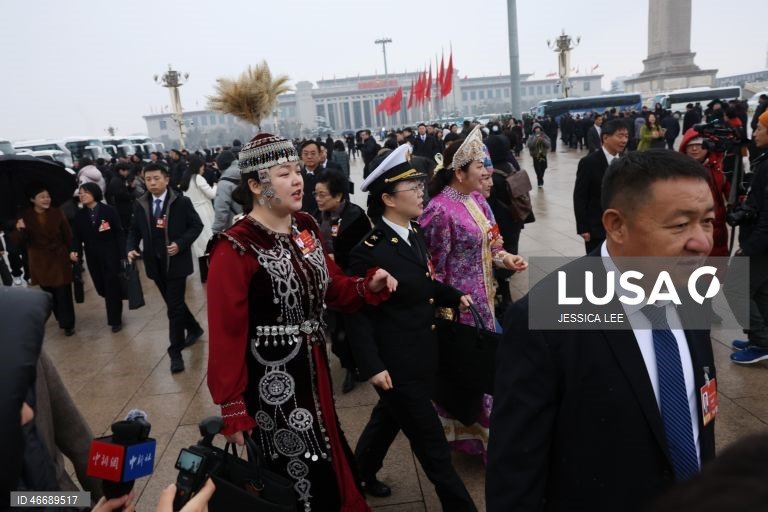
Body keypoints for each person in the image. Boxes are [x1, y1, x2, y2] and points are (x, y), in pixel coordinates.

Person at [487, 149, 717, 512]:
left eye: (707, 221)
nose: (702, 242)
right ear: (616, 225)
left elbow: (698, 412)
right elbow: (515, 471)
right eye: (679, 225)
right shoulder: (543, 321)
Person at [206, 133, 397, 512]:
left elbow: (332, 286)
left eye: (297, 170)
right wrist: (232, 406)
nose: (297, 180)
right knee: (295, 471)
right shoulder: (236, 246)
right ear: (256, 185)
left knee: (326, 447)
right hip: (271, 384)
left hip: (314, 372)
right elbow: (226, 334)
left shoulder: (305, 226)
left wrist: (365, 285)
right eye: (284, 174)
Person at [348, 144, 477, 510]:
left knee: (388, 418)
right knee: (433, 446)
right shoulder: (369, 250)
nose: (422, 192)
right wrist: (372, 366)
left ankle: (360, 473)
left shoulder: (413, 232)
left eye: (420, 185)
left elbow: (421, 283)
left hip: (424, 352)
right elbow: (356, 314)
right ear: (388, 199)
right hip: (397, 365)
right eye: (413, 188)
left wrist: (453, 295)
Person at [420, 127, 527, 464]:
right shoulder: (439, 211)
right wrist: (443, 306)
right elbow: (433, 266)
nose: (485, 172)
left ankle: (493, 437)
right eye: (479, 166)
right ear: (459, 172)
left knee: (489, 367)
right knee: (470, 372)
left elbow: (493, 244)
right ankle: (473, 439)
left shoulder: (478, 200)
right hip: (460, 307)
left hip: (485, 301)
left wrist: (506, 259)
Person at [127, 163, 204, 373]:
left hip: (176, 263)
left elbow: (196, 226)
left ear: (166, 179)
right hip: (155, 264)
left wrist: (180, 243)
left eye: (156, 178)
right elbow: (134, 230)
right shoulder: (141, 204)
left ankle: (175, 352)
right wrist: (131, 247)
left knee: (174, 308)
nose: (152, 183)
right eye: (148, 179)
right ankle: (194, 328)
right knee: (174, 304)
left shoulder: (181, 202)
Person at [314, 169, 371, 393]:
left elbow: (365, 253)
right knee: (336, 330)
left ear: (338, 196)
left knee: (353, 328)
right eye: (316, 194)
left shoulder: (356, 217)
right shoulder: (316, 217)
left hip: (351, 281)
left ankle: (358, 366)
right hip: (328, 283)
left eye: (322, 195)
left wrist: (338, 258)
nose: (318, 199)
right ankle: (348, 364)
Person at [728, 111, 768, 364]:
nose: (754, 133)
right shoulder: (763, 159)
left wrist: (749, 247)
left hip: (761, 244)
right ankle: (761, 338)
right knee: (760, 292)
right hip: (760, 242)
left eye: (760, 128)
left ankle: (761, 342)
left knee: (735, 288)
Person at [13, 184, 76, 336]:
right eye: (42, 197)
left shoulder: (57, 212)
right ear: (32, 199)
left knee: (63, 292)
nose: (46, 199)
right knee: (50, 293)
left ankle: (68, 323)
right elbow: (18, 242)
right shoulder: (25, 217)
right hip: (40, 260)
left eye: (48, 196)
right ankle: (60, 317)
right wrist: (19, 229)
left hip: (59, 257)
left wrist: (73, 252)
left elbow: (68, 235)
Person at [69, 183, 125, 332]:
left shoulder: (109, 210)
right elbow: (76, 237)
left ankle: (115, 320)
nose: (82, 196)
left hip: (111, 255)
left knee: (111, 287)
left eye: (85, 192)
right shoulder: (79, 215)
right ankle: (113, 304)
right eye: (80, 193)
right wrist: (75, 251)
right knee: (101, 287)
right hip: (92, 256)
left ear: (94, 193)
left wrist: (123, 254)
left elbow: (119, 233)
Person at [573, 119, 629, 254]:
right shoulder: (589, 162)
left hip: (622, 227)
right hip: (596, 228)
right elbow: (580, 196)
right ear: (605, 138)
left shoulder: (627, 161)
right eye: (620, 136)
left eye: (626, 136)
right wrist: (583, 227)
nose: (624, 140)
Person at [678, 128, 729, 257]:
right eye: (690, 146)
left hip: (717, 225)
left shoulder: (719, 168)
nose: (694, 149)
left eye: (699, 145)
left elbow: (729, 193)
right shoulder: (678, 172)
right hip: (689, 225)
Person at [178, 156, 216, 284]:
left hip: (193, 213)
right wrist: (216, 185)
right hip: (204, 212)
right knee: (210, 243)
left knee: (200, 247)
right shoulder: (198, 178)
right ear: (198, 167)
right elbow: (212, 194)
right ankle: (214, 274)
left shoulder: (186, 179)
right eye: (202, 167)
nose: (203, 169)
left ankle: (204, 276)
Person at [211, 150, 241, 233]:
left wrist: (216, 230)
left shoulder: (224, 183)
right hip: (256, 220)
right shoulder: (248, 173)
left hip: (237, 225)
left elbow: (221, 209)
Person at [106, 162, 136, 233]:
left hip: (122, 208)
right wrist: (133, 194)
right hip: (122, 209)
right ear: (120, 171)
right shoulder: (117, 181)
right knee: (125, 228)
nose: (128, 172)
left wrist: (130, 188)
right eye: (126, 170)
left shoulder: (119, 179)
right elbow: (122, 195)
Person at [299, 140, 325, 214]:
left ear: (320, 155)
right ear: (301, 156)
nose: (309, 157)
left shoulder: (327, 176)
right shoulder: (297, 176)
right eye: (306, 154)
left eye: (313, 153)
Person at [527, 123, 551, 187]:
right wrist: (536, 139)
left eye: (538, 128)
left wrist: (542, 140)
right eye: (536, 128)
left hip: (543, 155)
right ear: (533, 129)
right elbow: (529, 145)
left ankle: (540, 177)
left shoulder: (544, 136)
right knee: (537, 169)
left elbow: (548, 145)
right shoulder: (531, 137)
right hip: (536, 156)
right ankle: (540, 181)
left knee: (544, 167)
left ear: (540, 129)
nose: (537, 129)